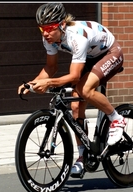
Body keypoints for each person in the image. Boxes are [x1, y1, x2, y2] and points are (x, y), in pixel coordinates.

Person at [18, 3, 126, 177]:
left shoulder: (76, 37)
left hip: (110, 53)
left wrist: (49, 83)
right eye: (42, 29)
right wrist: (31, 84)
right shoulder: (49, 38)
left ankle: (116, 119)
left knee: (83, 89)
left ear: (61, 25)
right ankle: (83, 156)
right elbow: (50, 68)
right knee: (75, 106)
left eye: (50, 28)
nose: (45, 33)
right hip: (89, 57)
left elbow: (74, 77)